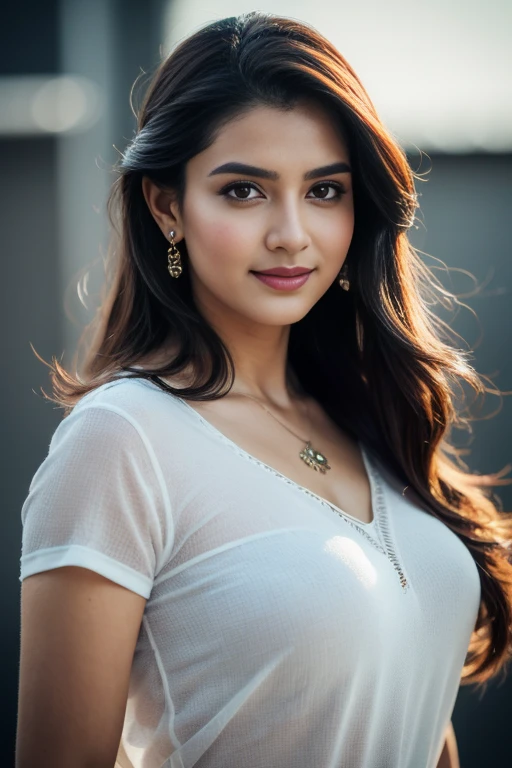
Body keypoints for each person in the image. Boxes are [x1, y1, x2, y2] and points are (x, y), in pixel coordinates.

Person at [16, 11, 512, 768]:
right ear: (166, 205)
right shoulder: (122, 441)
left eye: (324, 191)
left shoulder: (372, 413)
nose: (291, 233)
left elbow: (412, 714)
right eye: (244, 191)